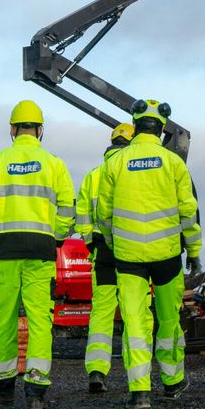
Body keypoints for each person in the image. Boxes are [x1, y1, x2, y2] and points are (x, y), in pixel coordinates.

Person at [0, 100, 76, 409]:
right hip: (40, 250)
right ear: (40, 130)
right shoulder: (54, 164)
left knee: (4, 317)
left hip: (4, 249)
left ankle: (4, 384)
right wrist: (55, 235)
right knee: (40, 317)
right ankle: (36, 386)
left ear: (12, 129)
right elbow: (67, 209)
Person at [96, 99, 201, 409]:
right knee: (168, 320)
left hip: (128, 257)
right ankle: (171, 382)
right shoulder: (174, 164)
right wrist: (193, 251)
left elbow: (103, 214)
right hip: (167, 256)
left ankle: (139, 389)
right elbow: (188, 213)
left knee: (135, 322)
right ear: (163, 127)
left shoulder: (115, 163)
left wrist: (115, 244)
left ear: (135, 123)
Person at [75, 122, 134, 394]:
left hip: (102, 250)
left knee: (102, 311)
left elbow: (83, 217)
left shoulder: (93, 176)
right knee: (135, 313)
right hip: (131, 249)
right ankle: (137, 375)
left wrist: (91, 244)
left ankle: (97, 369)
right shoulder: (132, 171)